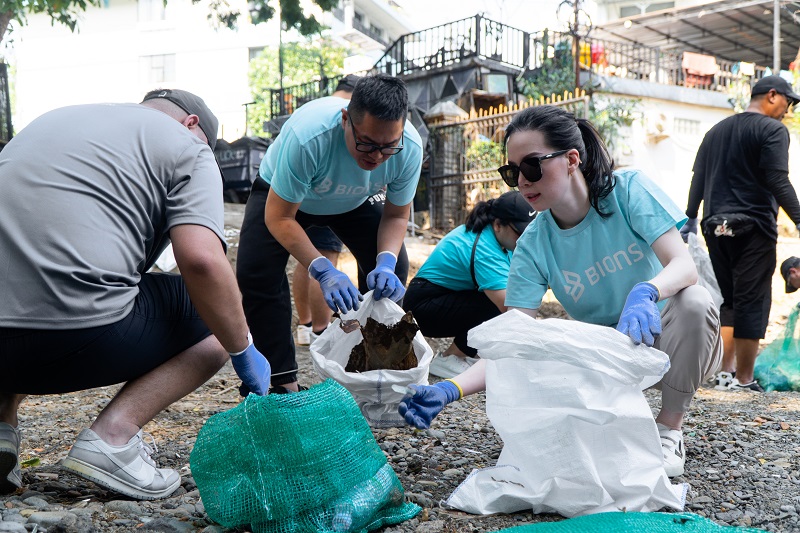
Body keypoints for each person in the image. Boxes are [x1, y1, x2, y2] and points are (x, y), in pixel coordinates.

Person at [399, 105, 722, 478]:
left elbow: (684, 266)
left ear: (571, 160)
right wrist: (449, 389)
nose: (522, 181)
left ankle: (668, 428)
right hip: (605, 357)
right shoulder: (533, 243)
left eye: (532, 166)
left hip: (668, 338)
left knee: (695, 300)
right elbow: (513, 339)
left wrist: (647, 292)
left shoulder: (628, 190)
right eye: (512, 172)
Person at [0, 90, 270, 500]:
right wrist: (242, 347)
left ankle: (2, 428)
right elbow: (202, 262)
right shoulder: (189, 147)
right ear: (192, 124)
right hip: (73, 336)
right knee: (216, 312)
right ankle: (113, 438)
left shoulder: (52, 121)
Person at [237, 73, 423, 393]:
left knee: (396, 266)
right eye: (367, 143)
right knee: (256, 272)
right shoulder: (309, 137)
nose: (377, 156)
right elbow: (280, 217)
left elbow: (395, 215)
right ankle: (280, 382)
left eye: (388, 147)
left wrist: (385, 263)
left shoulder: (409, 148)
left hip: (355, 201)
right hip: (285, 198)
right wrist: (322, 270)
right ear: (346, 119)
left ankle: (372, 373)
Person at [680, 75, 800, 393]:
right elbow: (777, 179)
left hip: (715, 226)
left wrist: (691, 216)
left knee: (731, 299)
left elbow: (698, 177)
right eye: (787, 102)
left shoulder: (715, 131)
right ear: (772, 95)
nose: (787, 110)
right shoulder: (772, 130)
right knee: (752, 300)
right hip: (753, 225)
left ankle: (725, 372)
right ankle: (745, 379)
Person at [403, 191, 535, 378]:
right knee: (501, 305)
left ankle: (465, 354)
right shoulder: (485, 249)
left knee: (502, 298)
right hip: (422, 307)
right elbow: (511, 308)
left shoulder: (495, 236)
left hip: (443, 296)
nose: (525, 239)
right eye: (520, 232)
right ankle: (450, 358)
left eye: (530, 232)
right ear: (498, 224)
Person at [292, 76, 361, 346]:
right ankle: (322, 330)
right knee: (325, 260)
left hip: (301, 196)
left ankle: (305, 324)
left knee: (306, 259)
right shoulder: (347, 114)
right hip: (330, 193)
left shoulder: (315, 108)